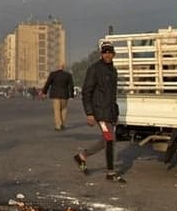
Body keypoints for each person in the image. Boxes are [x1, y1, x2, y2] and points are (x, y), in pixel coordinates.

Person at [73, 42, 126, 183]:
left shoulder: (113, 71)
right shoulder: (94, 69)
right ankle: (110, 172)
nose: (107, 54)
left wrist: (115, 113)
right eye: (105, 52)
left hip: (110, 112)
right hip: (99, 113)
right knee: (109, 139)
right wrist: (89, 113)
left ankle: (82, 156)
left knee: (106, 140)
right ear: (101, 54)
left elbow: (112, 95)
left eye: (110, 52)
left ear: (113, 54)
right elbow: (86, 92)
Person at [42, 63, 74, 130]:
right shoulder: (68, 75)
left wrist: (44, 92)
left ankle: (58, 125)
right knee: (64, 109)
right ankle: (62, 124)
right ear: (63, 67)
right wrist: (72, 95)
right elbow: (71, 85)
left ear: (57, 67)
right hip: (65, 95)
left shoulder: (53, 74)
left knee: (57, 110)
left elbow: (47, 83)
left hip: (55, 95)